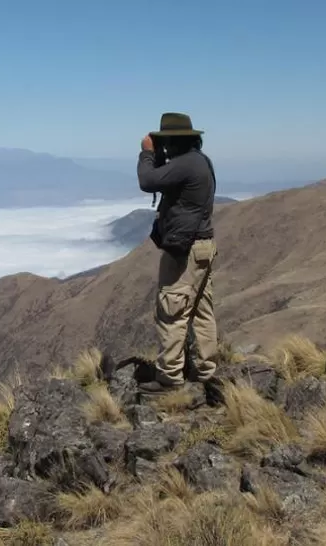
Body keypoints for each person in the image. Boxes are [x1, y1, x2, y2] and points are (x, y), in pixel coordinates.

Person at [136, 112, 219, 395]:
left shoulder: (185, 165)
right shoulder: (198, 161)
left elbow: (147, 181)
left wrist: (147, 153)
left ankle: (170, 377)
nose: (164, 147)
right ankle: (206, 371)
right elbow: (164, 179)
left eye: (165, 141)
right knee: (201, 310)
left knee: (172, 308)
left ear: (173, 140)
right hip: (203, 246)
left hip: (185, 250)